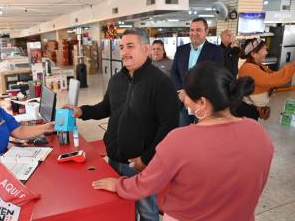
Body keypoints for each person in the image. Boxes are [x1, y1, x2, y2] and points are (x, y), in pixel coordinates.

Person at [93, 62, 274, 221]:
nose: (183, 98)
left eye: (186, 93)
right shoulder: (257, 131)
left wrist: (119, 184)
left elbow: (146, 184)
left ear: (202, 102)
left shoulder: (180, 140)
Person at [65, 28, 179, 221]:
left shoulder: (160, 82)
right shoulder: (117, 79)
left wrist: (146, 158)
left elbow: (169, 126)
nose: (124, 51)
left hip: (139, 163)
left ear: (146, 49)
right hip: (114, 157)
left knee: (147, 211)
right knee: (121, 209)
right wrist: (81, 111)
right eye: (122, 47)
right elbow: (106, 107)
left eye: (130, 46)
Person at [171, 17, 224, 127]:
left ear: (206, 31)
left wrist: (190, 93)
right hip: (183, 102)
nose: (194, 33)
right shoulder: (181, 50)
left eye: (198, 30)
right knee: (184, 134)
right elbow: (174, 71)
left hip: (204, 103)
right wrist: (182, 91)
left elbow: (215, 76)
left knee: (203, 136)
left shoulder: (216, 51)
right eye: (192, 30)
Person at [235, 38, 295, 120]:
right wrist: (292, 66)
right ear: (253, 54)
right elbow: (273, 79)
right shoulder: (248, 68)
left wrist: (291, 65)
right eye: (264, 49)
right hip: (247, 110)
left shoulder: (258, 65)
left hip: (252, 109)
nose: (266, 52)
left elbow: (273, 75)